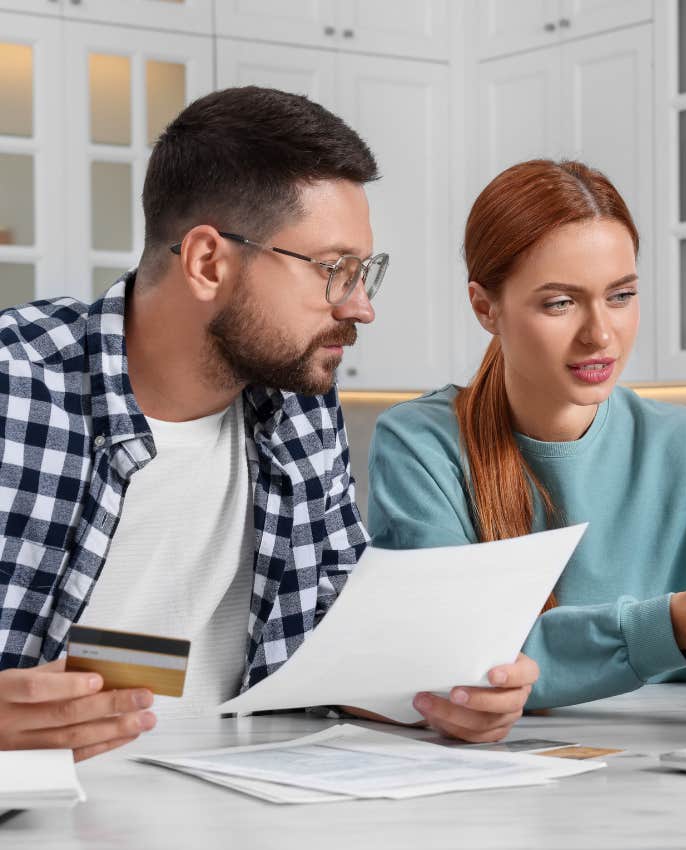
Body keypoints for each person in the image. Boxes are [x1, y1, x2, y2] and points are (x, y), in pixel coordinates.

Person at [0, 87, 537, 760]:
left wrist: (444, 696)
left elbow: (330, 644)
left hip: (244, 800)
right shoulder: (16, 389)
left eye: (365, 271)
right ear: (207, 262)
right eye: (335, 270)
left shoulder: (300, 406)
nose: (362, 307)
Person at [367, 158, 686, 711]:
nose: (600, 334)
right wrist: (667, 627)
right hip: (491, 773)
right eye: (560, 303)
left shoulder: (682, 447)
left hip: (660, 779)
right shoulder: (421, 444)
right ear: (485, 307)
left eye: (621, 296)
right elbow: (449, 653)